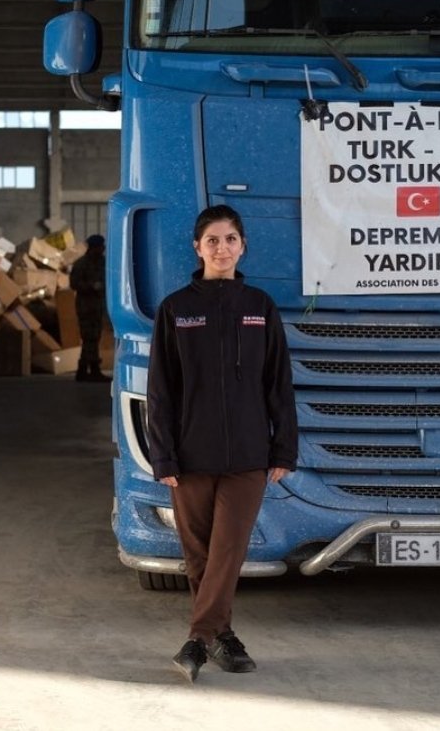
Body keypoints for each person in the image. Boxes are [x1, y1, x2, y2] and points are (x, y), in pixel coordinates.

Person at [146, 205, 298, 683]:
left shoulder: (259, 306)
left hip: (248, 455)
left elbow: (278, 382)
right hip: (190, 456)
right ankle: (223, 639)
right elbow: (160, 389)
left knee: (228, 549)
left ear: (243, 245)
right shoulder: (176, 309)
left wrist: (283, 448)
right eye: (212, 240)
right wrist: (164, 454)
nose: (221, 248)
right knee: (199, 556)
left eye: (230, 239)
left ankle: (196, 641)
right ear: (197, 248)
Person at [69, 234, 110, 382]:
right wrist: (92, 286)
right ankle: (90, 370)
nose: (102, 249)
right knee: (89, 338)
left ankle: (87, 370)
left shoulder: (103, 263)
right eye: (100, 247)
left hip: (98, 306)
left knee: (94, 338)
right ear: (93, 247)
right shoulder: (81, 264)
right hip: (86, 307)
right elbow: (74, 283)